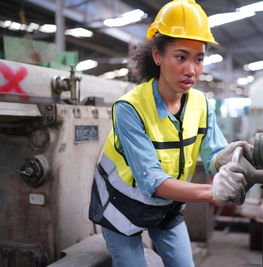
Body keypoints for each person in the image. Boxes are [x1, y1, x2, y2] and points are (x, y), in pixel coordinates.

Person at [89, 1, 253, 266]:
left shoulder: (201, 103)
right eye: (181, 57)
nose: (191, 69)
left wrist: (230, 156)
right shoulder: (129, 108)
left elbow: (213, 155)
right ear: (157, 56)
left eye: (199, 59)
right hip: (122, 206)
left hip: (167, 207)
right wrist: (212, 192)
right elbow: (151, 180)